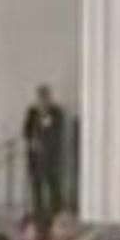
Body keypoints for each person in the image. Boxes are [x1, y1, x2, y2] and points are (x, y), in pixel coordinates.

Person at [23, 84, 68, 221]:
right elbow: (26, 130)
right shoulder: (32, 112)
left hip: (51, 155)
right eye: (40, 98)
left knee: (53, 182)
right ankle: (38, 210)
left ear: (49, 97)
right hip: (35, 155)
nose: (42, 101)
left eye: (45, 97)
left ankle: (56, 210)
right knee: (36, 183)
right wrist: (31, 141)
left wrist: (46, 118)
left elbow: (58, 131)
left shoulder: (56, 112)